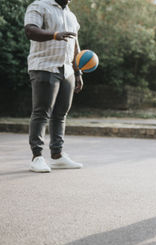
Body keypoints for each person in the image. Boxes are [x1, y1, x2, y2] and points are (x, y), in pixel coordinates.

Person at [24, 0, 83, 172]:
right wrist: (55, 35)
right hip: (44, 65)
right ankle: (37, 157)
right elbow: (30, 30)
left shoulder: (71, 15)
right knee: (42, 112)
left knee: (61, 113)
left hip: (67, 70)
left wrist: (78, 72)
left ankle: (57, 155)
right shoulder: (39, 6)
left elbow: (75, 44)